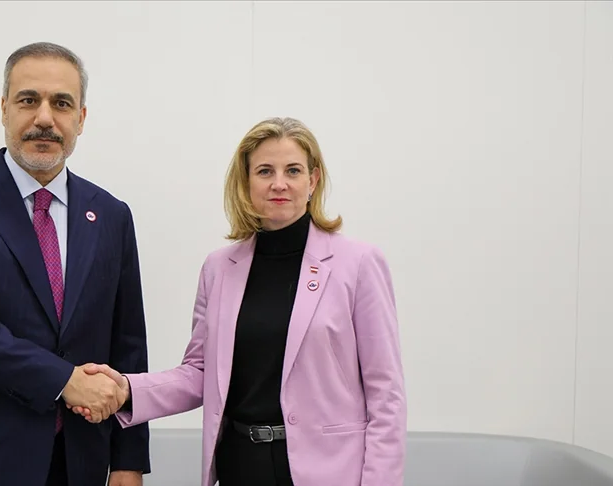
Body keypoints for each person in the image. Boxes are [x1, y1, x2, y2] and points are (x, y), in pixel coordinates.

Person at [72, 117, 407, 485]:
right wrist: (127, 390)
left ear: (312, 180)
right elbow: (200, 373)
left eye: (293, 170)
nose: (279, 183)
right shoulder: (219, 268)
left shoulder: (358, 264)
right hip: (240, 465)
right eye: (265, 171)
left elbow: (386, 395)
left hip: (329, 471)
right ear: (246, 183)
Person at [0, 42, 150, 486]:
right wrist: (64, 380)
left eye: (62, 104)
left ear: (81, 118)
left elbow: (127, 343)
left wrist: (128, 461)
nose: (44, 118)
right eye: (28, 100)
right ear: (4, 109)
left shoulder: (111, 215)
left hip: (79, 460)